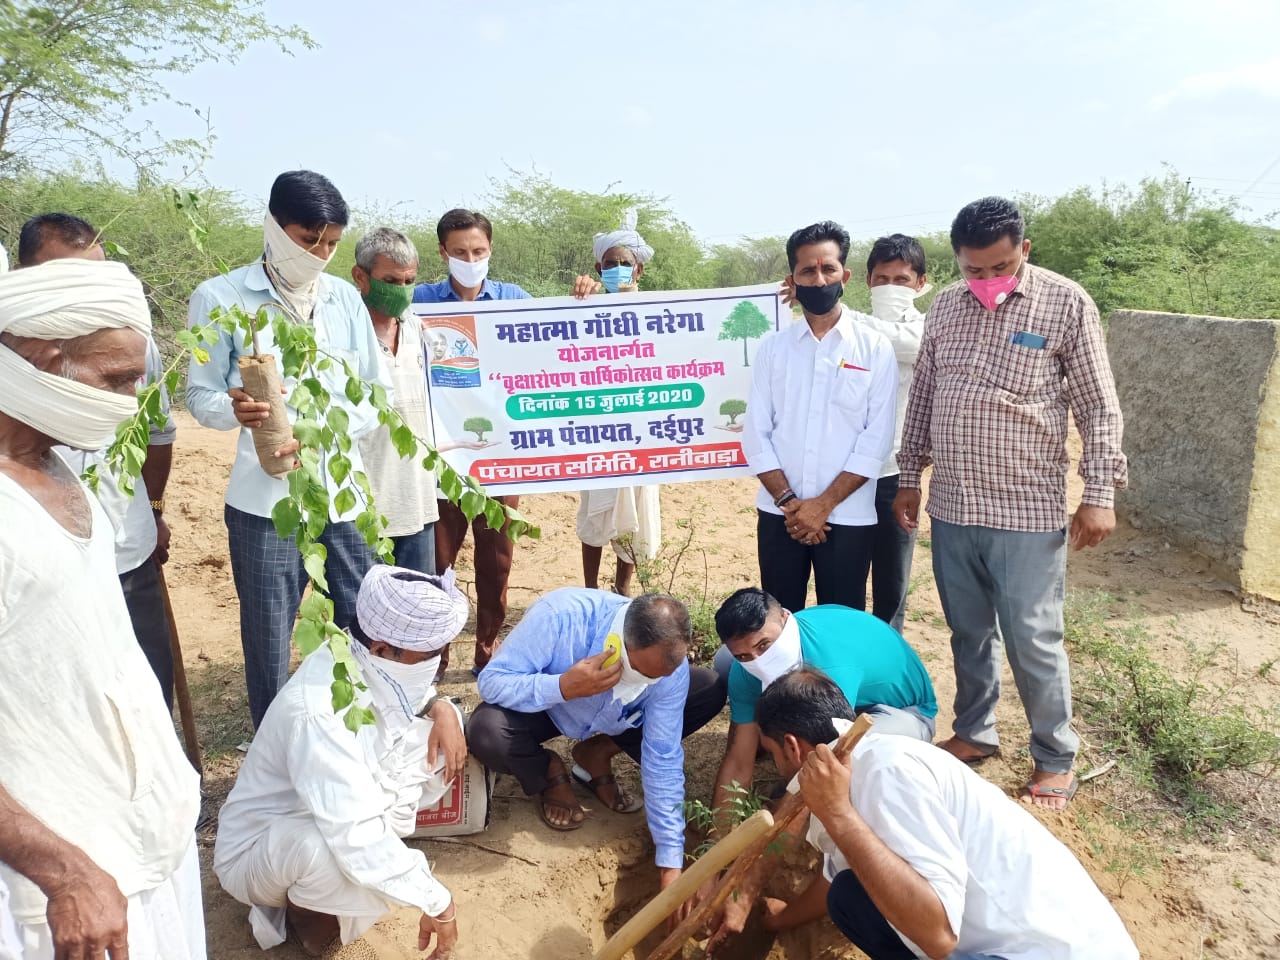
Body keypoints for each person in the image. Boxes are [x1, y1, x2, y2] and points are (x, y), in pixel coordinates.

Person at [893, 197, 1128, 809]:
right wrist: (909, 475)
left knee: (1032, 636)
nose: (985, 281)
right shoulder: (944, 306)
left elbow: (1099, 407)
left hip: (1026, 509)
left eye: (998, 266)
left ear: (1024, 250)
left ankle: (1055, 754)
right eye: (973, 270)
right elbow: (924, 396)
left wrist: (1098, 494)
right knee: (968, 630)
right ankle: (976, 731)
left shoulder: (1066, 302)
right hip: (954, 506)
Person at [0, 258, 203, 959]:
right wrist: (64, 874)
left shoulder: (60, 471)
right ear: (36, 360)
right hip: (59, 891)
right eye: (116, 379)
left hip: (137, 852)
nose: (133, 398)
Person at [735, 669, 1138, 960]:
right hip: (996, 939)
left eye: (771, 753)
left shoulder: (887, 772)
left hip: (1043, 949)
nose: (776, 765)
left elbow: (939, 936)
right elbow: (842, 874)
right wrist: (777, 922)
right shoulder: (850, 766)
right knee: (849, 897)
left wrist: (839, 814)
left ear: (791, 746)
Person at [187, 170, 389, 728]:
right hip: (264, 504)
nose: (320, 254)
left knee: (359, 624)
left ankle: (356, 736)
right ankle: (273, 758)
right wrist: (232, 408)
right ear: (275, 227)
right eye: (309, 239)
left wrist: (325, 427)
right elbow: (199, 394)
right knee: (270, 634)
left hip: (342, 499)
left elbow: (377, 394)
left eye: (330, 243)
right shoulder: (223, 297)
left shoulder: (344, 299)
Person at [215, 565, 470, 958]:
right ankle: (314, 925)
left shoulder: (360, 655)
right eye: (432, 653)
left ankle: (356, 887)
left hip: (320, 816)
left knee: (432, 741)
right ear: (384, 649)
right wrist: (438, 901)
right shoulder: (318, 712)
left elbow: (406, 697)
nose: (440, 662)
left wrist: (441, 708)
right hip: (259, 850)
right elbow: (355, 836)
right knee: (327, 850)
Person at [468, 589, 725, 908]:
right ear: (621, 643)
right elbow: (493, 682)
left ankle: (596, 754)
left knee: (707, 688)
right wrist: (562, 686)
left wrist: (670, 863)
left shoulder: (666, 673)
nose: (649, 682)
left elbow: (662, 757)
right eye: (643, 673)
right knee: (487, 732)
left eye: (657, 678)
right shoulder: (559, 617)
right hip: (548, 708)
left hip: (619, 717)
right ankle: (548, 772)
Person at [21, 212, 179, 707]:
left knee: (149, 691)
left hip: (127, 550)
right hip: (42, 570)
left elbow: (156, 433)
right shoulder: (17, 359)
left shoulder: (136, 340)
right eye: (73, 279)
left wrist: (154, 513)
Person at [742, 221, 898, 615]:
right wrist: (791, 502)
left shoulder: (875, 348)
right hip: (780, 515)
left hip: (847, 516)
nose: (819, 278)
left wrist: (823, 505)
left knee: (841, 624)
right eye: (807, 271)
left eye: (828, 269)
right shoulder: (773, 350)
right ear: (792, 279)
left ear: (844, 275)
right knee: (777, 624)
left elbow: (876, 439)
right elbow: (756, 434)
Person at [414, 208, 530, 675]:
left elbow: (555, 345)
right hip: (439, 457)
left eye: (478, 251)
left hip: (498, 456)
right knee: (437, 560)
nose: (470, 259)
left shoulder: (515, 299)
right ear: (443, 252)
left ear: (490, 250)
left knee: (497, 560)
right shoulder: (418, 300)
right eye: (460, 252)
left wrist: (586, 296)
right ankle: (435, 649)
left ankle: (487, 645)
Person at [709, 587, 935, 824]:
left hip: (902, 712)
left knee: (851, 759)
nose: (758, 660)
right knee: (725, 665)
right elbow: (738, 759)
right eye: (743, 655)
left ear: (786, 618)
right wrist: (718, 833)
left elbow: (827, 759)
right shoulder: (745, 668)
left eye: (764, 645)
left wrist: (778, 822)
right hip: (839, 696)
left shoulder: (830, 668)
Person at [569, 208, 662, 594]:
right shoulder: (582, 307)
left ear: (638, 271)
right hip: (597, 430)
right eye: (610, 264)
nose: (618, 269)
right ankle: (591, 588)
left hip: (641, 431)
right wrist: (579, 297)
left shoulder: (657, 312)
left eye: (625, 264)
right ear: (598, 267)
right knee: (595, 508)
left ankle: (622, 591)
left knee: (634, 510)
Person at [351, 227, 438, 576]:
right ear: (361, 276)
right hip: (360, 508)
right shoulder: (340, 335)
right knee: (356, 619)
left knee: (415, 616)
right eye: (391, 280)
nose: (401, 290)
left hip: (419, 505)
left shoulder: (421, 331)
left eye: (409, 281)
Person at [859, 234, 929, 633]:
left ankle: (888, 668)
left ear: (920, 283)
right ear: (867, 280)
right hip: (848, 475)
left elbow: (907, 344)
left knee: (892, 587)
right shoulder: (844, 325)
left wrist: (834, 312)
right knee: (844, 583)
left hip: (899, 475)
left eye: (900, 279)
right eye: (882, 278)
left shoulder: (929, 329)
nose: (890, 287)